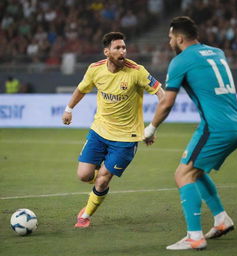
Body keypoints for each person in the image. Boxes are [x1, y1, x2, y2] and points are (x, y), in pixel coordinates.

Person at [144, 16, 237, 250]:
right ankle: (221, 219)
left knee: (183, 174)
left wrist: (150, 129)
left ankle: (194, 237)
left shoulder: (181, 61)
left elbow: (167, 103)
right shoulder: (217, 52)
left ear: (179, 38)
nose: (169, 41)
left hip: (216, 127)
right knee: (194, 170)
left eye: (170, 37)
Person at [62, 32, 164, 228]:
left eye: (124, 47)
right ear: (107, 52)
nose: (122, 51)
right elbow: (82, 89)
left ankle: (85, 215)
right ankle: (102, 174)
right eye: (117, 48)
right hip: (99, 131)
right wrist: (69, 109)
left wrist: (152, 127)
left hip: (126, 138)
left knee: (102, 181)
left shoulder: (137, 71)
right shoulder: (95, 69)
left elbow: (162, 95)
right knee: (84, 175)